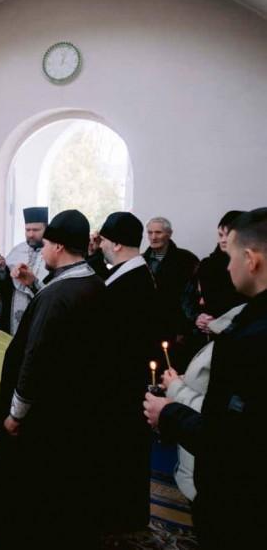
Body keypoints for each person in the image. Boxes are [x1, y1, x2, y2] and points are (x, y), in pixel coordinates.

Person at [144, 208, 267, 548]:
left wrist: (169, 412)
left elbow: (230, 438)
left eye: (232, 257)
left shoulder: (249, 337)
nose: (227, 267)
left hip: (241, 500)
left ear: (251, 260)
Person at [0, 209, 109, 548]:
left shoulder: (57, 296)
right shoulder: (92, 281)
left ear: (58, 246)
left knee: (36, 488)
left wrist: (16, 414)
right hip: (74, 406)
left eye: (45, 243)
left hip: (47, 411)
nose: (42, 249)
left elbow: (35, 358)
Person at [97, 211, 160, 532]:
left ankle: (120, 518)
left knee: (122, 453)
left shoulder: (129, 284)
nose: (100, 245)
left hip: (121, 387)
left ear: (117, 244)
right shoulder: (133, 273)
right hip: (127, 383)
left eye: (104, 240)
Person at [161, 303, 244, 503]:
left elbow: (225, 414)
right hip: (198, 470)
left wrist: (175, 390)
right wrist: (182, 381)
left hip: (215, 478)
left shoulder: (246, 337)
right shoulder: (239, 328)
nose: (200, 303)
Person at [182, 211, 247, 352]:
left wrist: (221, 324)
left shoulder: (250, 265)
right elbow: (189, 297)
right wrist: (197, 317)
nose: (223, 240)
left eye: (228, 235)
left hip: (240, 336)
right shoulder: (207, 264)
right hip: (205, 337)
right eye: (220, 235)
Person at [142, 217, 199, 365]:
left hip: (178, 334)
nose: (153, 237)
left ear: (169, 234)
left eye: (158, 232)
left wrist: (185, 330)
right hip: (149, 331)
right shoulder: (141, 261)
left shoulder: (187, 260)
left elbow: (192, 299)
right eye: (150, 233)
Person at [3, 207, 49, 334]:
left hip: (43, 308)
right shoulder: (17, 250)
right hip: (17, 308)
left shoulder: (53, 252)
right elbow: (5, 283)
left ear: (46, 229)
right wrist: (1, 269)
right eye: (27, 230)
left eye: (36, 230)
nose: (30, 234)